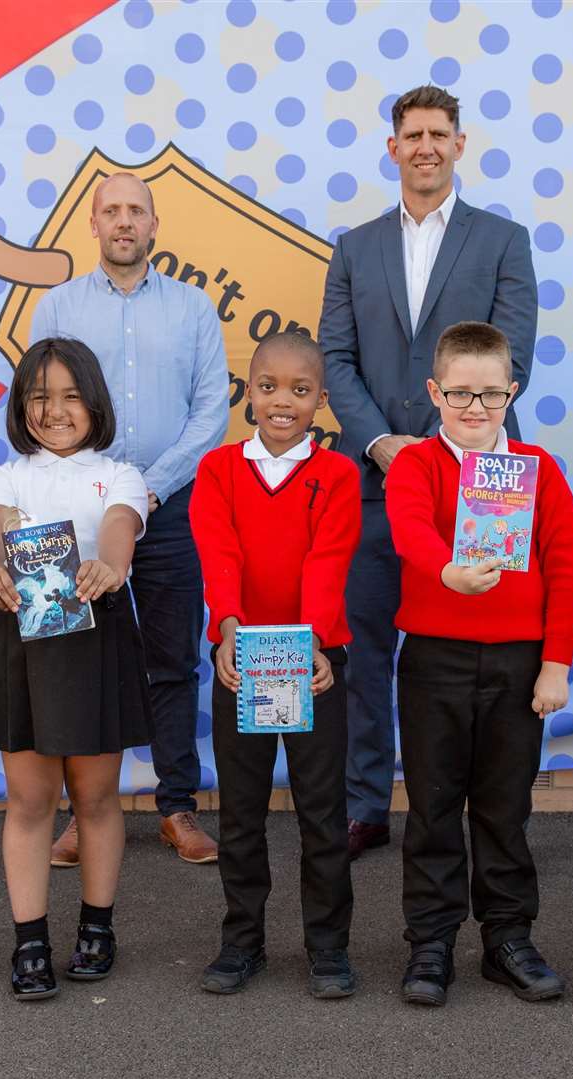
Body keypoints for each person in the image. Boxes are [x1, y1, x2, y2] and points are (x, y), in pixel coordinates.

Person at [320, 85, 538, 859]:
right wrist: (383, 444)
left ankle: (473, 810)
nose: (424, 146)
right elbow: (335, 361)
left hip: (477, 482)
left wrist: (447, 446)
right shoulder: (353, 247)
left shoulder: (502, 241)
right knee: (368, 648)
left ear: (459, 143)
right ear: (392, 148)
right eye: (411, 134)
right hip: (374, 480)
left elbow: (514, 359)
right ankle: (365, 804)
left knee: (474, 648)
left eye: (438, 134)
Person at [30, 173, 229, 866]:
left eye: (134, 211)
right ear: (91, 224)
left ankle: (176, 804)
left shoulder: (193, 309)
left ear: (153, 224)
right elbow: (42, 406)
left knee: (172, 660)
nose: (123, 221)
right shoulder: (56, 307)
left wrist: (147, 488)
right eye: (110, 210)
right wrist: (102, 490)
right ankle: (85, 816)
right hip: (77, 511)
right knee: (77, 662)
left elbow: (211, 412)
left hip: (170, 509)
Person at [383, 322, 573, 1007]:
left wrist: (555, 663)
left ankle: (506, 939)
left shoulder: (539, 469)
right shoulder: (414, 464)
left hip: (518, 664)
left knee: (503, 808)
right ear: (434, 391)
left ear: (512, 392)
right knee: (433, 809)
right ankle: (431, 944)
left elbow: (565, 569)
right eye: (460, 393)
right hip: (433, 660)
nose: (474, 409)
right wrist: (446, 570)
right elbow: (407, 528)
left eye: (490, 395)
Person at [0, 337, 153, 1001]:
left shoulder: (120, 474)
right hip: (24, 638)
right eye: (40, 396)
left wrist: (111, 566)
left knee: (96, 797)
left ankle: (98, 928)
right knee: (28, 800)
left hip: (95, 638)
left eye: (71, 395)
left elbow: (118, 528)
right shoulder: (9, 473)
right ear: (21, 406)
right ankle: (29, 941)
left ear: (95, 403)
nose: (55, 409)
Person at [188, 333, 362, 998]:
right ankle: (241, 942)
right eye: (268, 387)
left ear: (320, 400)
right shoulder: (218, 470)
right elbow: (219, 553)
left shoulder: (338, 474)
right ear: (248, 392)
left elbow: (328, 558)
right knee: (241, 810)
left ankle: (326, 946)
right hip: (241, 656)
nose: (281, 401)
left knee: (322, 811)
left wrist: (315, 640)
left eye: (298, 390)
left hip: (315, 660)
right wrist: (228, 628)